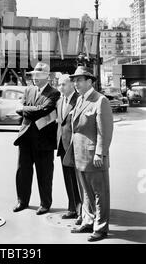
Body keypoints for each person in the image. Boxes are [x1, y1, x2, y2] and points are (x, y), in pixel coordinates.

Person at [63, 66, 113, 242]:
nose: (75, 83)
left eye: (79, 80)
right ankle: (88, 221)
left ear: (90, 81)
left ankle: (100, 228)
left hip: (93, 156)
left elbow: (104, 131)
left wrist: (100, 153)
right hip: (79, 155)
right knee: (85, 192)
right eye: (74, 80)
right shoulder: (80, 100)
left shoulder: (100, 100)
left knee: (99, 193)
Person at [13, 62, 60, 215]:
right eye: (34, 75)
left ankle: (45, 204)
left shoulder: (54, 93)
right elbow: (32, 110)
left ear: (47, 76)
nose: (35, 78)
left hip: (44, 141)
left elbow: (44, 110)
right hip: (26, 138)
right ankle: (22, 201)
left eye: (39, 75)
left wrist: (24, 109)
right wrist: (28, 110)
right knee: (23, 172)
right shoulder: (29, 90)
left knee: (44, 173)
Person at [57, 74, 82, 224]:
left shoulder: (79, 99)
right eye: (59, 84)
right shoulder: (60, 101)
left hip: (74, 146)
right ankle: (72, 207)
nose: (60, 87)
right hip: (62, 145)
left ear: (72, 85)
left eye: (63, 84)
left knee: (78, 179)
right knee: (68, 178)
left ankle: (81, 210)